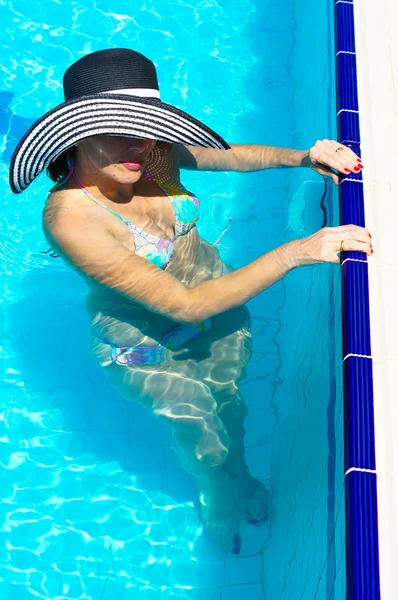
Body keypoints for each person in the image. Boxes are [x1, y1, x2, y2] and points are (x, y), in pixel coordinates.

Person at [9, 48, 371, 554]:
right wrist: (295, 253)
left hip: (218, 298)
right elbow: (184, 306)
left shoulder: (149, 153)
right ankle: (216, 492)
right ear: (75, 133)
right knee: (199, 430)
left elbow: (228, 155)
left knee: (233, 408)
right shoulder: (72, 220)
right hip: (140, 339)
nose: (136, 143)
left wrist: (303, 157)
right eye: (115, 128)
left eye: (144, 125)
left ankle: (240, 475)